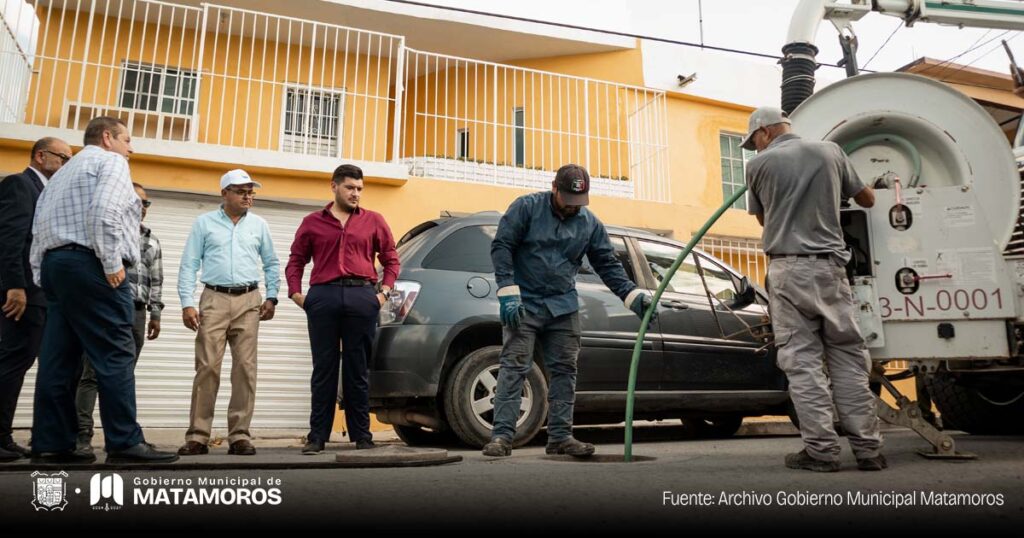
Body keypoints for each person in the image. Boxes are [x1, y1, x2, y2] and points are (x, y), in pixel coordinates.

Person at [741, 105, 885, 472]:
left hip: (788, 269)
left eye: (754, 141)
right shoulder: (831, 151)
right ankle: (869, 450)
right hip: (832, 269)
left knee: (803, 363)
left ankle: (822, 452)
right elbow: (867, 200)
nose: (754, 148)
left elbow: (764, 219)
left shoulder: (757, 167)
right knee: (850, 358)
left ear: (765, 132)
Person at [29, 117, 178, 464]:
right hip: (92, 265)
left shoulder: (62, 173)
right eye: (128, 139)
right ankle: (124, 442)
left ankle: (53, 444)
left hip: (56, 266)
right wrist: (112, 262)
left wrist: (41, 274)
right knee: (115, 351)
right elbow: (105, 212)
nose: (131, 148)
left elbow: (40, 227)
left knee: (58, 358)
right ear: (108, 138)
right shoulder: (110, 160)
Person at [482, 164, 655, 458]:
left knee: (565, 370)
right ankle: (502, 437)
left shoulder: (589, 223)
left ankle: (560, 437)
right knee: (514, 367)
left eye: (580, 202)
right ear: (554, 188)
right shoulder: (526, 208)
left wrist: (631, 294)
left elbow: (607, 264)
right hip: (525, 303)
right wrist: (507, 290)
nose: (573, 207)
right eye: (568, 200)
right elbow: (502, 246)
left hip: (563, 305)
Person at [287, 164, 400, 455]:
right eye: (350, 187)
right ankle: (317, 436)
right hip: (323, 297)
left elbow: (391, 259)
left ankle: (362, 434)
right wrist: (297, 294)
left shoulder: (374, 221)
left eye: (360, 189)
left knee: (357, 369)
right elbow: (296, 260)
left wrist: (383, 293)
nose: (356, 194)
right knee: (323, 369)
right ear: (334, 186)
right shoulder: (312, 222)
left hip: (362, 296)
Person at [177, 169, 280, 456]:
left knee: (245, 369)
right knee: (207, 367)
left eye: (251, 191)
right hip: (214, 299)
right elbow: (189, 264)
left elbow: (271, 263)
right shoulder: (204, 223)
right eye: (241, 191)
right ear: (225, 193)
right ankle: (198, 435)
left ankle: (240, 436)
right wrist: (187, 302)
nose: (248, 196)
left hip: (249, 301)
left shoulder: (259, 225)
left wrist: (272, 296)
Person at [76, 182, 163, 453]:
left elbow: (156, 279)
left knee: (123, 375)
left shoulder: (151, 239)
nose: (142, 208)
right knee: (91, 374)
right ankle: (81, 436)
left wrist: (155, 313)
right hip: (106, 308)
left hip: (136, 311)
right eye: (138, 202)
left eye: (146, 204)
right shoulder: (105, 232)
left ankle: (126, 436)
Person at [0, 137, 71, 462]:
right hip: (22, 294)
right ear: (41, 156)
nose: (66, 165)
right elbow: (11, 237)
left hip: (37, 294)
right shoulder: (20, 185)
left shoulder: (46, 193)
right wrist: (15, 286)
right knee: (12, 362)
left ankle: (4, 435)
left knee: (18, 363)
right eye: (63, 158)